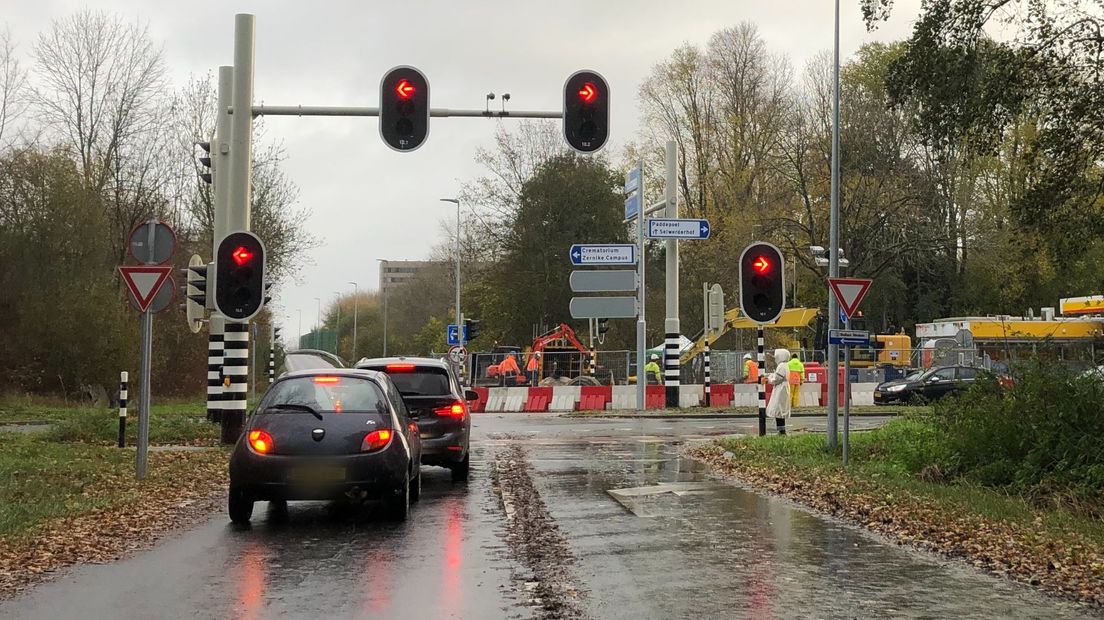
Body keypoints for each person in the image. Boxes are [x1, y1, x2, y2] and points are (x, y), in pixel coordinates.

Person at [765, 348, 792, 435]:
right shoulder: (785, 365)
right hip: (783, 388)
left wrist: (768, 380)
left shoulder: (781, 366)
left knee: (778, 409)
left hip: (780, 389)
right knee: (780, 410)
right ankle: (781, 430)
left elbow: (777, 378)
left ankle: (781, 431)